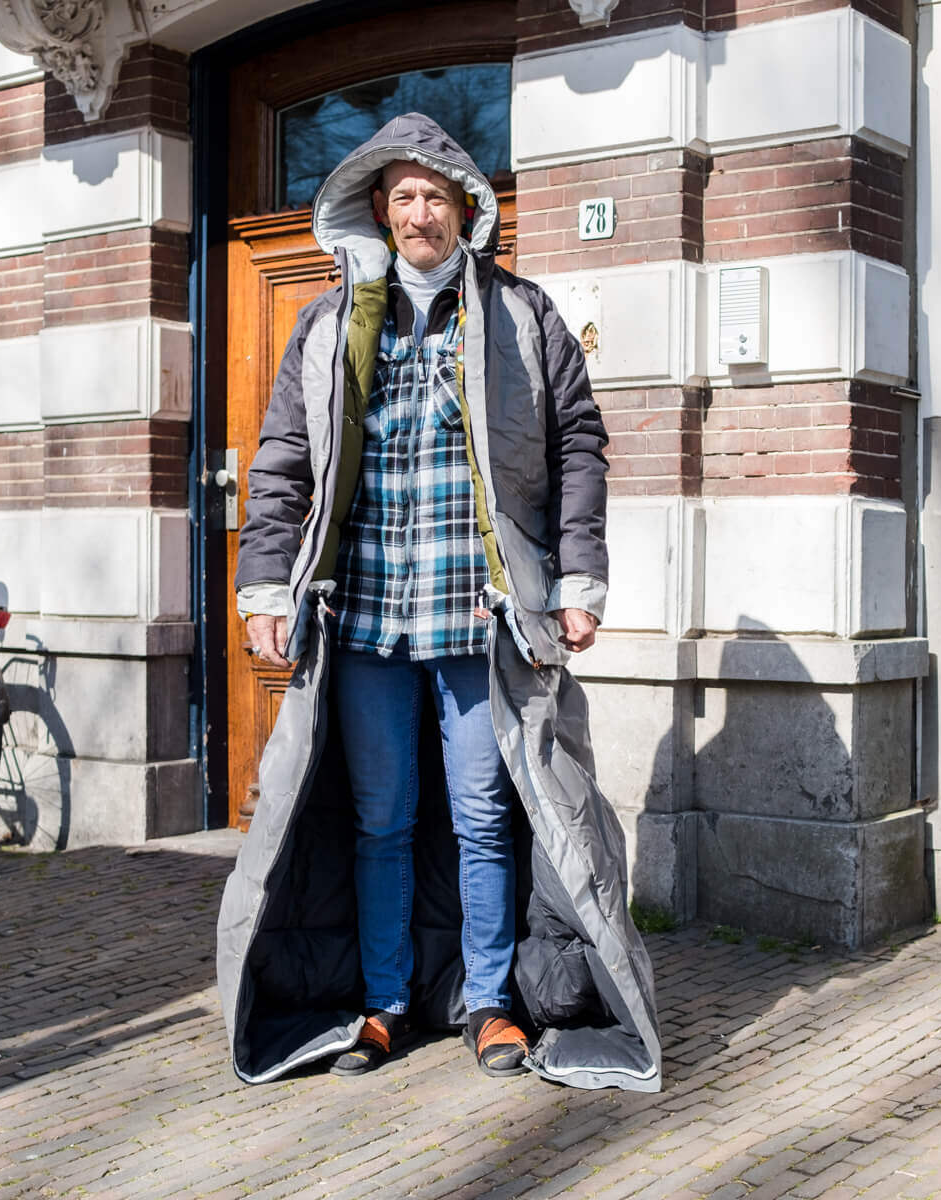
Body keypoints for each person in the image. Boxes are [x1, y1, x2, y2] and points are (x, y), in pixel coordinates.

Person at [220, 114, 660, 1092]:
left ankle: (492, 1003)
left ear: (468, 207)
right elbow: (285, 462)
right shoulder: (330, 323)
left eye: (437, 195)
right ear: (380, 210)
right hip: (369, 619)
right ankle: (382, 1008)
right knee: (380, 821)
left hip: (478, 617)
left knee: (485, 814)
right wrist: (264, 583)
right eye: (404, 197)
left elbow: (578, 445)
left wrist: (577, 580)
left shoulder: (519, 315)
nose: (421, 213)